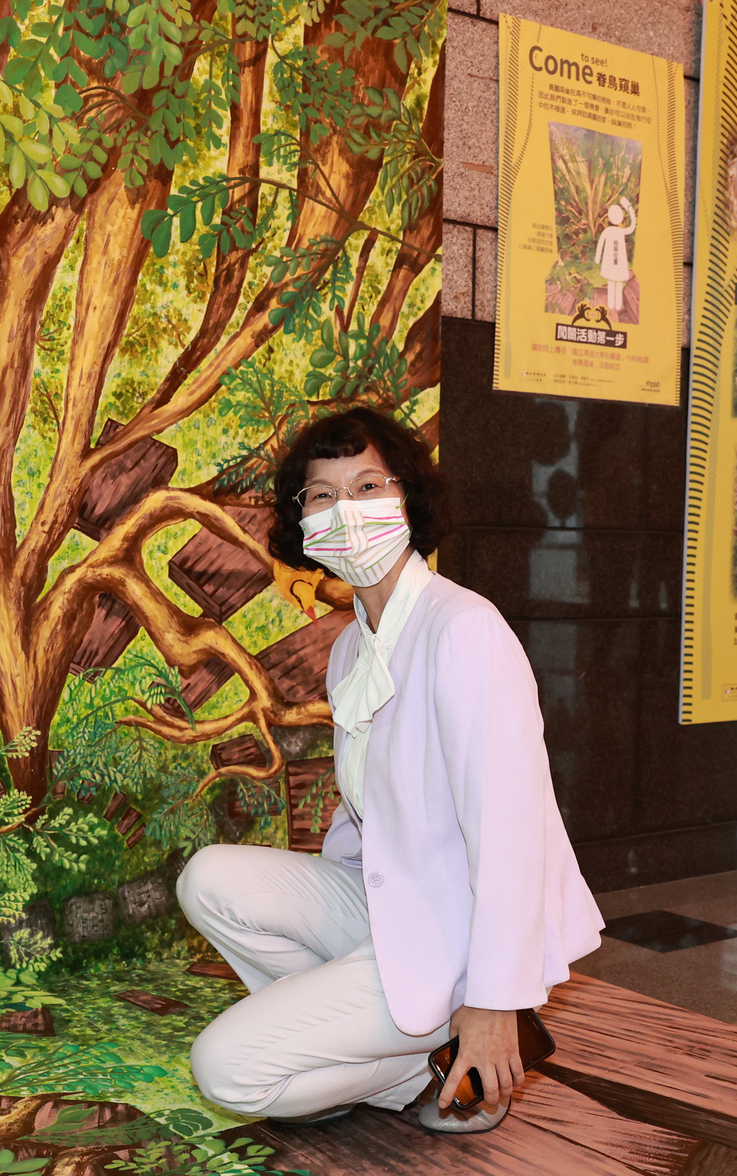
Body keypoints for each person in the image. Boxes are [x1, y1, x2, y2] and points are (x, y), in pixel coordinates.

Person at [177, 407, 605, 1135]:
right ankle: (385, 1048)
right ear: (301, 523)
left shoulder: (463, 629)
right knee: (207, 879)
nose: (346, 509)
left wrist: (493, 1001)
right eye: (321, 495)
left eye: (368, 484)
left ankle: (426, 1058)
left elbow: (511, 831)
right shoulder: (352, 647)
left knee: (227, 1069)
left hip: (457, 932)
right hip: (391, 904)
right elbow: (365, 806)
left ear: (407, 499)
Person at [594, 197, 636, 316]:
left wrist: (629, 208)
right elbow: (601, 243)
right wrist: (597, 257)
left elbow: (633, 226)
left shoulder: (618, 231)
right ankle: (612, 305)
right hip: (613, 262)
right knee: (613, 283)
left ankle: (617, 305)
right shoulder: (609, 231)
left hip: (618, 262)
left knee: (615, 283)